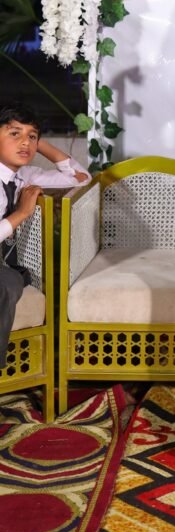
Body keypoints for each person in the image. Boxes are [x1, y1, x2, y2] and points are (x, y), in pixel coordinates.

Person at [0, 103, 90, 369]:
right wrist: (22, 213)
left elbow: (81, 178)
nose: (25, 142)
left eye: (32, 136)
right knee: (8, 283)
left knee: (10, 281)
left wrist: (40, 146)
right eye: (14, 133)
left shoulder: (25, 176)